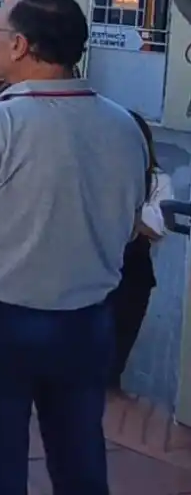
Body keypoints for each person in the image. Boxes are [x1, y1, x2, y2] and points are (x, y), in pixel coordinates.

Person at [0, 0, 148, 495]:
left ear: (21, 45)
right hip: (88, 321)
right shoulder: (125, 127)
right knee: (79, 458)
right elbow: (131, 224)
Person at [108, 110, 171, 389]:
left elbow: (157, 228)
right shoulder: (93, 172)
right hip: (92, 264)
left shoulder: (157, 180)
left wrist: (122, 201)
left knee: (119, 341)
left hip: (133, 271)